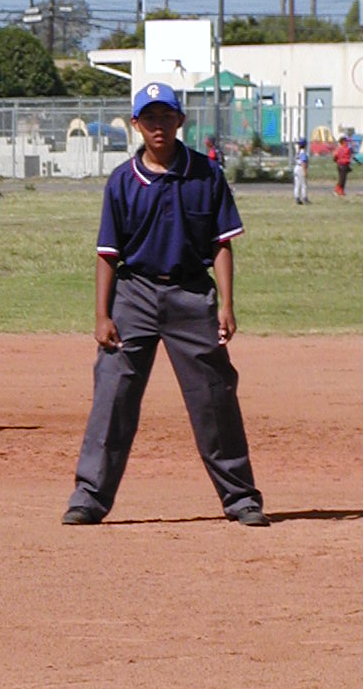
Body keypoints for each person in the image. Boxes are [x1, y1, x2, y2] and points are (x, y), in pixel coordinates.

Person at [62, 83, 269, 529]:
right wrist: (101, 315)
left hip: (192, 295)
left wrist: (227, 304)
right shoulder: (122, 181)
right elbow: (107, 254)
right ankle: (89, 498)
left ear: (181, 121)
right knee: (113, 396)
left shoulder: (206, 174)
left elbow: (221, 244)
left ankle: (240, 498)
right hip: (133, 294)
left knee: (213, 397)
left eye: (167, 116)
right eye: (150, 118)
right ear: (136, 124)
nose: (159, 126)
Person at [293, 136, 310, 204]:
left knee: (297, 184)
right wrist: (305, 172)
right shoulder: (303, 152)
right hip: (301, 168)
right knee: (304, 184)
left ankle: (297, 198)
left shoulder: (298, 152)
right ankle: (304, 198)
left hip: (296, 167)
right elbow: (303, 162)